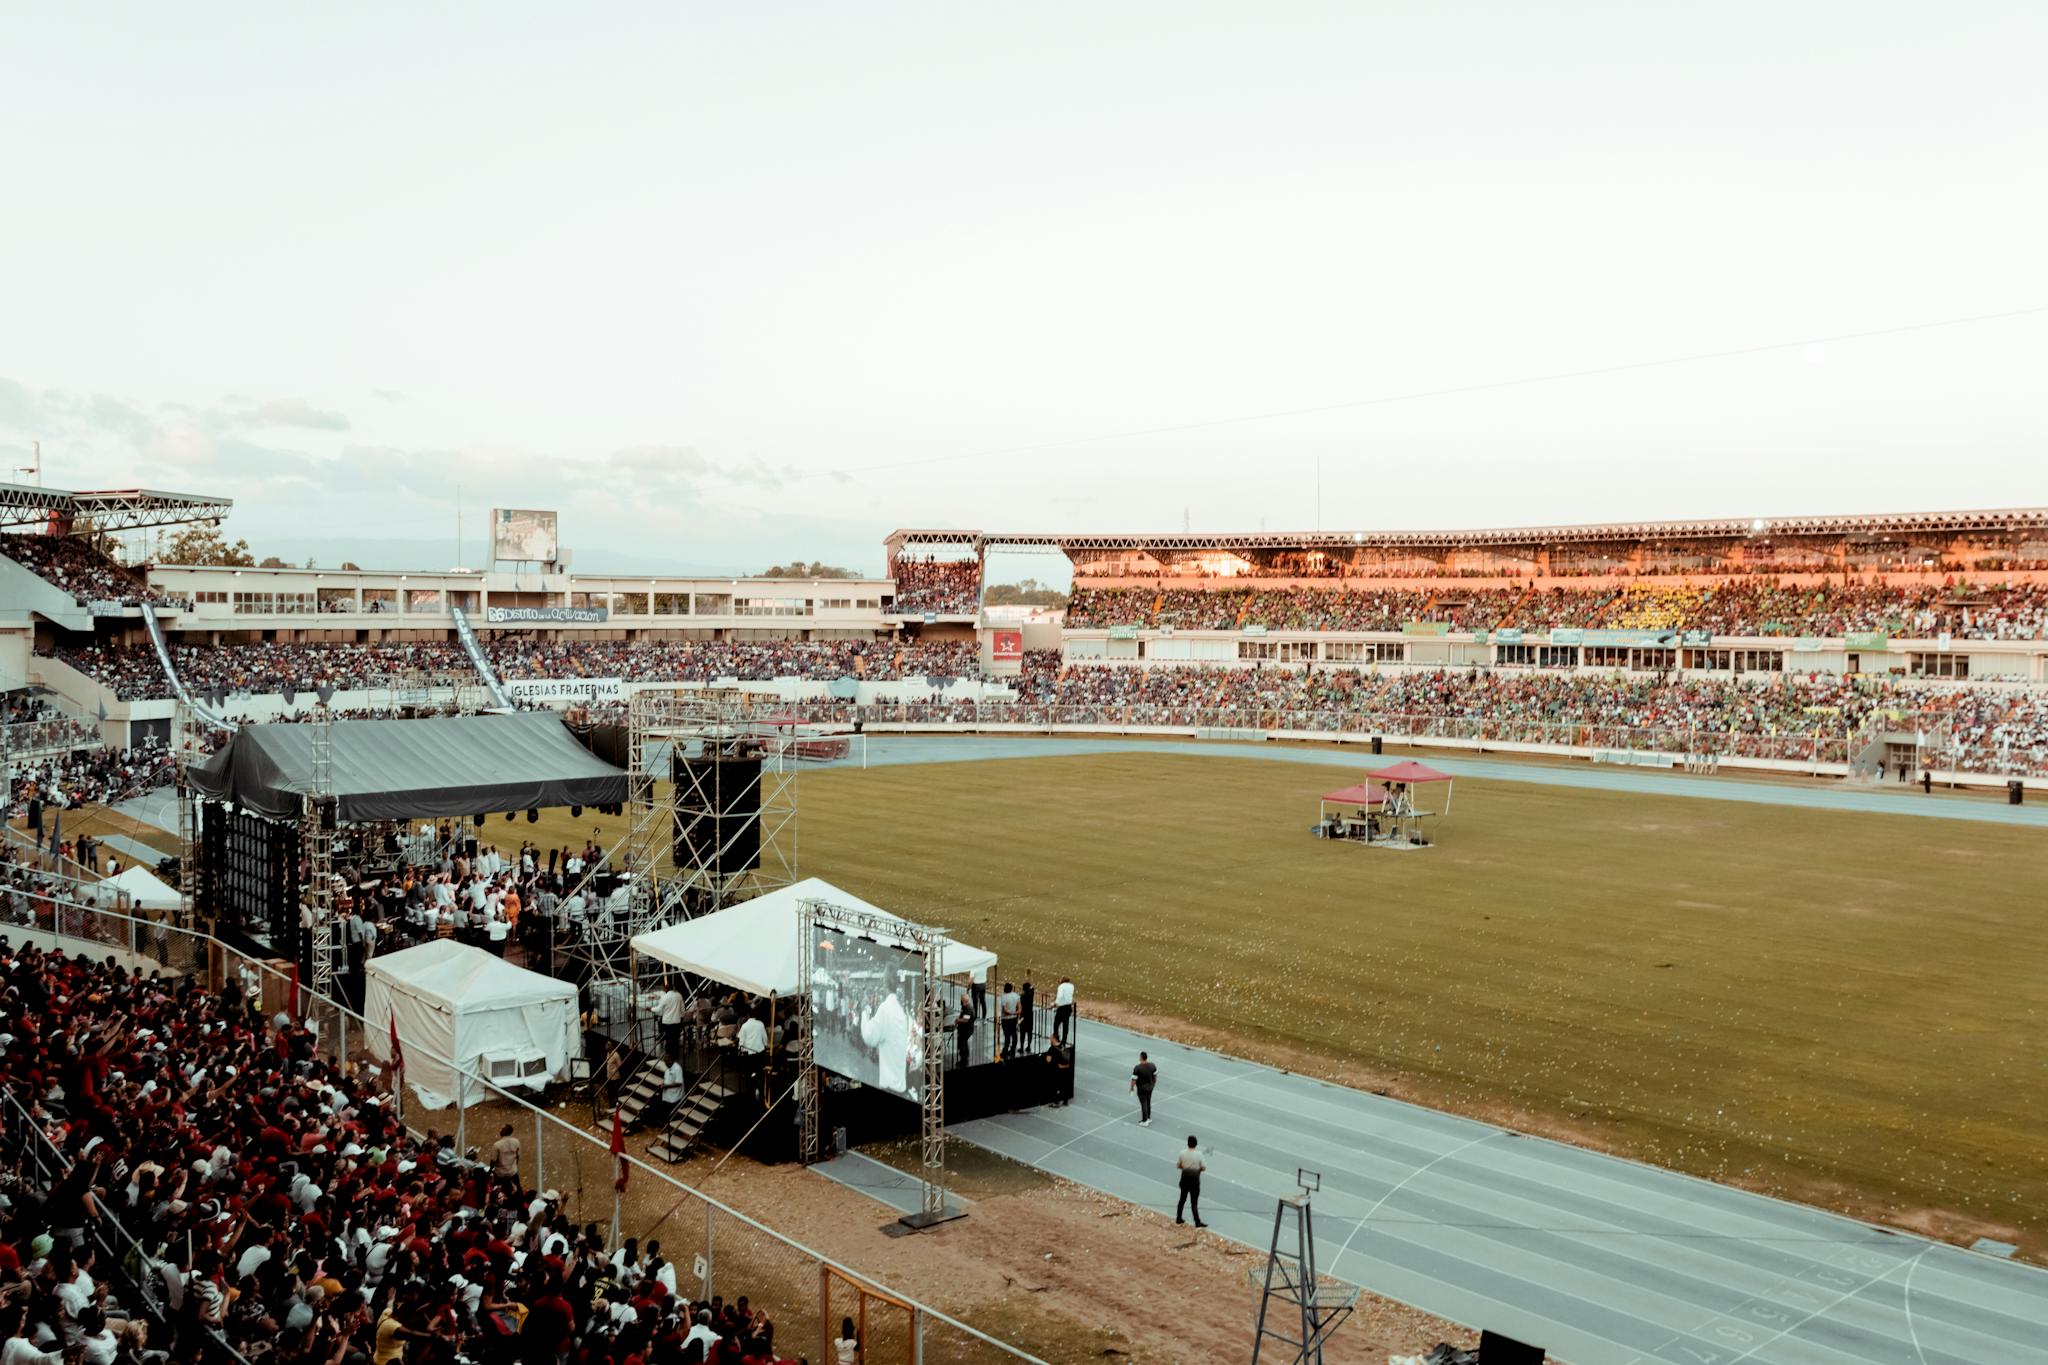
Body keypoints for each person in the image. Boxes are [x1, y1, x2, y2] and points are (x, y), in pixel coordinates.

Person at [1175, 1135, 1208, 1226]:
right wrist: (1197, 1170)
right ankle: (1197, 1221)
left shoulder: (1182, 1153)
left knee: (1182, 1199)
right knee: (1194, 1202)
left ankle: (1178, 1218)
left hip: (1184, 1180)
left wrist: (1185, 1167)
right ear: (1196, 1144)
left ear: (1188, 1143)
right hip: (1194, 1182)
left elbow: (1178, 1165)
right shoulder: (1199, 1154)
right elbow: (1204, 1167)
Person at [657, 983, 685, 1056]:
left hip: (667, 1021)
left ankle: (669, 1054)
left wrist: (650, 1009)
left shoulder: (665, 997)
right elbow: (682, 1009)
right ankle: (675, 1054)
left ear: (666, 989)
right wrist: (682, 1017)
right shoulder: (679, 995)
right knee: (675, 1038)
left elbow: (659, 1008)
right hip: (676, 1021)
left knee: (669, 1038)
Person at [1130, 1050, 1157, 1125]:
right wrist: (1153, 1084)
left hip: (1142, 1088)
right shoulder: (1152, 1065)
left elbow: (1133, 1080)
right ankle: (1148, 1117)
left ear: (1141, 1057)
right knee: (1148, 1101)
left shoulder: (1137, 1068)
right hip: (1150, 1087)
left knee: (1143, 1103)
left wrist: (1132, 1088)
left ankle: (1145, 1121)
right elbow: (1155, 1076)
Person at [998, 981, 1020, 1057]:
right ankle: (1013, 1050)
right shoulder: (1016, 995)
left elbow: (1005, 1010)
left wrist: (1011, 1013)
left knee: (1007, 1036)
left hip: (1006, 1019)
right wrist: (1016, 1013)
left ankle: (1005, 1051)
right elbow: (1019, 1007)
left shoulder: (1003, 997)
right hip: (1013, 1019)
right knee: (1014, 1035)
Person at [1053, 976, 1075, 1044]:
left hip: (1062, 1007)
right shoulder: (1071, 986)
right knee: (1065, 1025)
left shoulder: (1061, 986)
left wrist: (1056, 1003)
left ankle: (1056, 1038)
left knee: (1056, 1024)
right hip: (1068, 1007)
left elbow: (1060, 996)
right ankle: (1064, 1041)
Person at [1017, 979, 1037, 1051]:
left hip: (1023, 1016)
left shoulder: (1022, 997)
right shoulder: (1031, 995)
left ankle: (1021, 1047)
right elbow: (1032, 988)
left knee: (1022, 1032)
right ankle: (1028, 1046)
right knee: (1029, 1032)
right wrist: (1030, 987)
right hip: (1030, 1016)